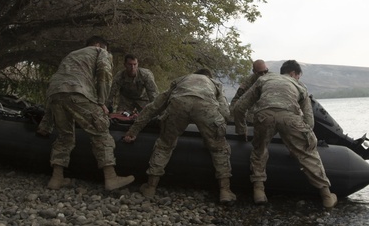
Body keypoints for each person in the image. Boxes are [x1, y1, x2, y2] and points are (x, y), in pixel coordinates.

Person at [230, 59, 337, 208]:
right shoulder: (300, 85)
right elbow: (309, 121)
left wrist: (241, 131)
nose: (298, 78)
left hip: (264, 116)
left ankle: (259, 191)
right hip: (290, 117)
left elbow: (239, 107)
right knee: (308, 153)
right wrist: (304, 140)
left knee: (259, 150)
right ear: (294, 73)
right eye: (298, 75)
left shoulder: (264, 79)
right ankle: (326, 195)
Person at [122, 69, 236, 204]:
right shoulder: (215, 83)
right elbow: (224, 112)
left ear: (195, 74)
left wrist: (132, 132)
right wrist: (215, 131)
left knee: (164, 145)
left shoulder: (182, 79)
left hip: (178, 103)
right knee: (219, 148)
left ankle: (150, 187)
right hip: (206, 106)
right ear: (209, 76)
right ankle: (225, 191)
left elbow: (153, 108)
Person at [44, 35, 134, 191]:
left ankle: (56, 178)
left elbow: (59, 80)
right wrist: (101, 102)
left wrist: (45, 123)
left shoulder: (72, 55)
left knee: (65, 136)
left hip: (55, 94)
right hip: (77, 91)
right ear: (99, 45)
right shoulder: (100, 52)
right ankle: (111, 177)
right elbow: (104, 74)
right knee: (101, 130)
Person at [229, 59, 269, 138]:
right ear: (254, 71)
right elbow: (235, 101)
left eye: (266, 71)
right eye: (260, 73)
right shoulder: (248, 83)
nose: (264, 74)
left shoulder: (271, 79)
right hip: (251, 114)